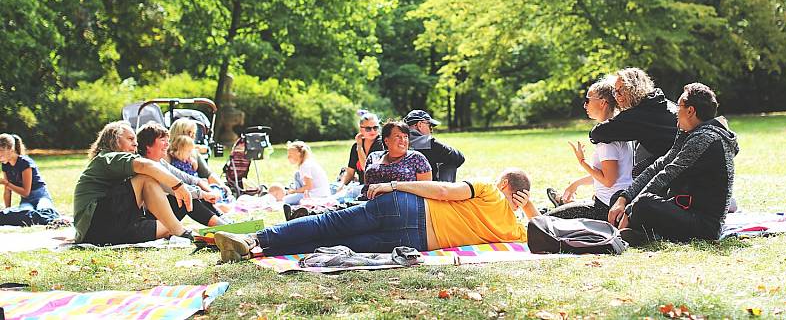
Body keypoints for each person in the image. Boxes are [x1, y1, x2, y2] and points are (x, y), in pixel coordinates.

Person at [213, 168, 540, 261]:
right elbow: (541, 229)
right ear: (521, 197)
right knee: (340, 242)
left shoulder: (488, 188)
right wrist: (527, 208)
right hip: (414, 240)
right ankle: (258, 252)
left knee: (328, 224)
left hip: (409, 207)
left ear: (504, 182)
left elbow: (442, 191)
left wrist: (395, 184)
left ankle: (253, 239)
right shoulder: (512, 231)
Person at [607, 83, 739, 244]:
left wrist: (629, 210)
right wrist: (624, 198)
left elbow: (666, 175)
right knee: (621, 197)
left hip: (703, 225)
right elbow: (660, 165)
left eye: (679, 106)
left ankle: (643, 232)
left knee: (642, 203)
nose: (676, 110)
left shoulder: (705, 138)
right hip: (684, 208)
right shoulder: (689, 132)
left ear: (690, 111)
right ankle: (644, 233)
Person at [73, 121, 195, 245]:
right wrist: (178, 186)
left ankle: (182, 232)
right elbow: (144, 165)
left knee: (168, 227)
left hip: (108, 231)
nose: (136, 143)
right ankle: (180, 232)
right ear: (113, 140)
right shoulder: (107, 157)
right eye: (130, 139)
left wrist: (196, 193)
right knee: (146, 179)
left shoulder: (118, 164)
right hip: (96, 224)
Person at [546, 77, 634, 221]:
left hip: (604, 209)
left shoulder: (606, 139)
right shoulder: (616, 130)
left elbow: (608, 181)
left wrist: (582, 162)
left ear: (602, 103)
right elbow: (609, 175)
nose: (585, 105)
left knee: (543, 220)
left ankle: (559, 205)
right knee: (556, 214)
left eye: (588, 100)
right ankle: (561, 203)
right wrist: (576, 184)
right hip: (609, 204)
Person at [589, 68, 678, 177]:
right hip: (680, 158)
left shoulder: (639, 115)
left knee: (638, 171)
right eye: (615, 91)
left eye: (621, 90)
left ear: (634, 89)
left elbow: (598, 132)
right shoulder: (660, 102)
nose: (617, 96)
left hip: (679, 167)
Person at [136, 122, 228, 226]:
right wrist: (203, 194)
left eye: (167, 140)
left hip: (158, 213)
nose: (167, 144)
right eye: (162, 140)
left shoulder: (159, 162)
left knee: (191, 193)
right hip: (145, 220)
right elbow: (174, 188)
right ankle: (222, 226)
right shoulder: (144, 165)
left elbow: (185, 177)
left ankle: (225, 221)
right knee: (184, 196)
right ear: (148, 146)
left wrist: (205, 189)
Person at [0, 134, 61, 225]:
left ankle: (52, 217)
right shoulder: (5, 165)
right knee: (25, 214)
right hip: (26, 200)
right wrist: (8, 211)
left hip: (41, 196)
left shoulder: (25, 163)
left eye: (0, 151)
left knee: (44, 211)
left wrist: (6, 183)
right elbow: (7, 192)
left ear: (11, 149)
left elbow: (26, 192)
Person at [168, 117, 232, 199]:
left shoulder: (193, 153)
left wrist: (223, 186)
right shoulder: (168, 154)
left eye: (194, 134)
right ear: (179, 133)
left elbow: (208, 174)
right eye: (189, 133)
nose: (192, 137)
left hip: (197, 189)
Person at [363, 121, 432, 190]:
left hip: (403, 200)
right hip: (369, 199)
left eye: (405, 136)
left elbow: (426, 189)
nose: (403, 140)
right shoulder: (374, 156)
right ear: (386, 140)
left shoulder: (417, 158)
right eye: (398, 136)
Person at [333, 112, 385, 201]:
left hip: (373, 188)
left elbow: (367, 168)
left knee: (340, 198)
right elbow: (350, 173)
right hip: (359, 186)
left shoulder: (381, 144)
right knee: (333, 188)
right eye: (368, 129)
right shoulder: (355, 146)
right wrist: (341, 186)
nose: (373, 131)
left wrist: (360, 147)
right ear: (361, 129)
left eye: (375, 128)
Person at [403, 110, 465, 182]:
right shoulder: (427, 142)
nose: (431, 130)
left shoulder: (395, 141)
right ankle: (447, 191)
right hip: (426, 189)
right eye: (430, 126)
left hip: (398, 187)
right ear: (420, 125)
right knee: (450, 164)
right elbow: (459, 158)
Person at [281, 141, 331, 205]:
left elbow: (308, 186)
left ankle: (293, 194)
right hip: (323, 193)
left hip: (317, 196)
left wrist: (294, 192)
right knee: (297, 174)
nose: (288, 157)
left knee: (285, 200)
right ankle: (294, 192)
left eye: (290, 154)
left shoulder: (305, 166)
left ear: (299, 153)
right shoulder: (307, 163)